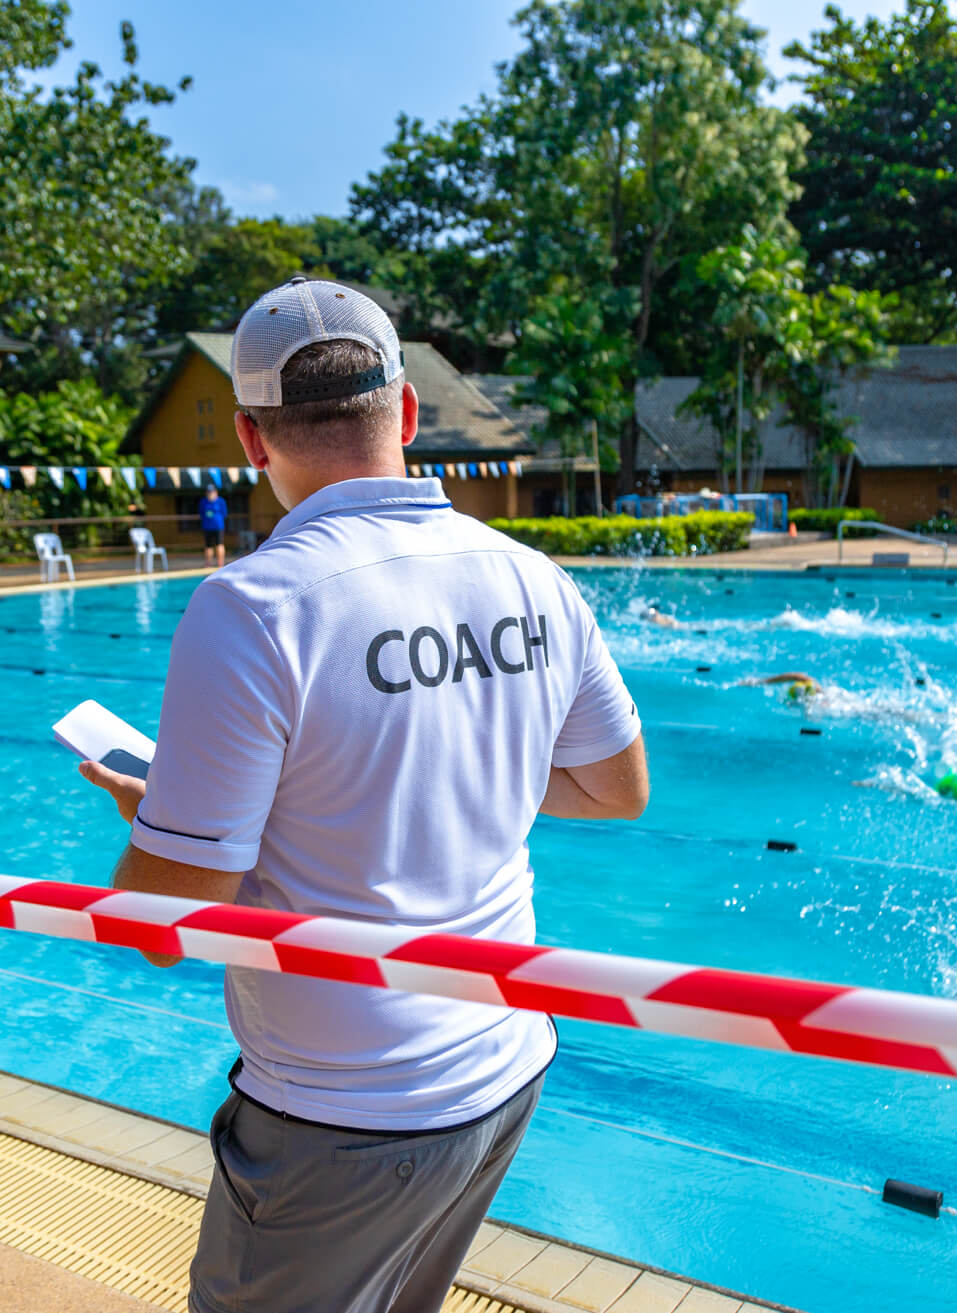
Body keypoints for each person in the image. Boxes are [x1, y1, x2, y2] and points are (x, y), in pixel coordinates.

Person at [79, 277, 648, 1313]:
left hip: (344, 1111)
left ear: (252, 440)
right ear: (409, 413)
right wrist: (472, 768)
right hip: (505, 1064)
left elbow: (158, 924)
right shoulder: (534, 578)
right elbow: (617, 790)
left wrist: (155, 818)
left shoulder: (252, 606)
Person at [198, 483, 228, 567]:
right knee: (208, 546)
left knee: (219, 544)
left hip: (218, 527)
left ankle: (220, 563)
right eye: (208, 492)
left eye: (212, 492)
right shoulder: (203, 501)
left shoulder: (221, 501)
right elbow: (201, 513)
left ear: (216, 492)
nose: (210, 494)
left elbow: (224, 513)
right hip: (207, 527)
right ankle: (208, 563)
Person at [740, 671, 823, 701]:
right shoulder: (818, 690)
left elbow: (795, 676)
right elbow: (795, 676)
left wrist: (762, 681)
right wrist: (763, 681)